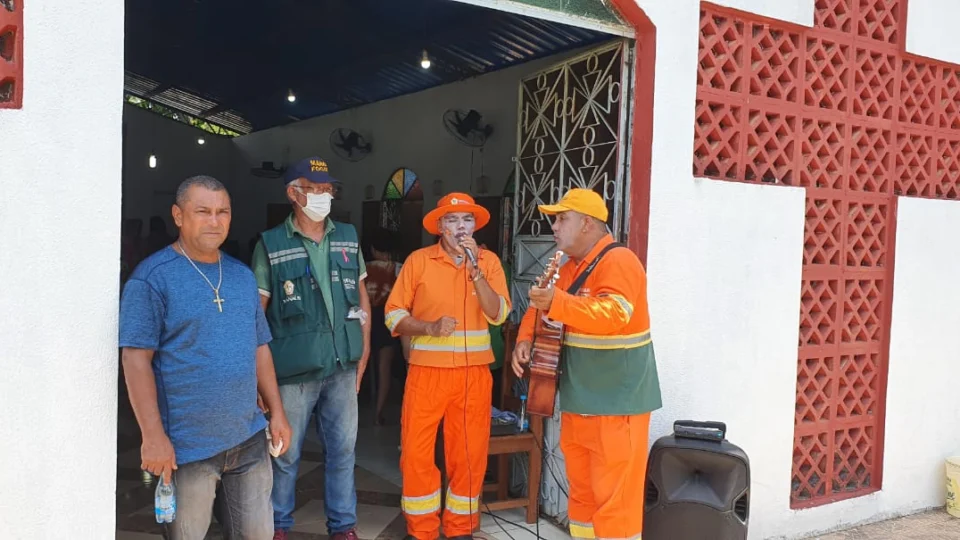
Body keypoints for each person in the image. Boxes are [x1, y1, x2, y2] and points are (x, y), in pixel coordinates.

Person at [119, 175, 292, 540]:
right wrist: (153, 437)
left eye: (222, 212)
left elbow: (260, 346)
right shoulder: (152, 279)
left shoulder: (242, 277)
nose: (215, 221)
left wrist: (276, 412)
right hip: (187, 448)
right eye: (203, 212)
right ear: (178, 216)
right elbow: (136, 360)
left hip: (248, 439)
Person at [511, 188, 662, 540]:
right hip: (581, 402)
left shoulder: (619, 261)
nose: (554, 226)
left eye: (563, 219)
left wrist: (557, 302)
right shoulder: (570, 267)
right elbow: (539, 306)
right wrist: (524, 339)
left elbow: (613, 314)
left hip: (616, 405)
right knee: (581, 498)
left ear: (587, 224)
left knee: (614, 506)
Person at [250, 156, 371, 540]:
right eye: (314, 188)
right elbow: (256, 316)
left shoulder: (348, 235)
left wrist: (363, 355)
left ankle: (343, 526)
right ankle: (279, 526)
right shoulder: (270, 244)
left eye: (327, 189)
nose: (323, 195)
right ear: (293, 193)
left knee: (344, 453)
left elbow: (363, 300)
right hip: (293, 372)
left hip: (343, 366)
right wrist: (259, 381)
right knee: (284, 455)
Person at [384, 193, 511, 540]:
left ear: (475, 226)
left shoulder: (488, 262)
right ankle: (421, 530)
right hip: (426, 373)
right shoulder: (418, 261)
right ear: (439, 227)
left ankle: (460, 530)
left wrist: (477, 274)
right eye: (452, 220)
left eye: (466, 220)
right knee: (415, 453)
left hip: (474, 375)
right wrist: (427, 327)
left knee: (469, 456)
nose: (460, 227)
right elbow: (393, 314)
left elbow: (499, 314)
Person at [364, 229, 404, 425]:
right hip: (389, 319)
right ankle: (378, 412)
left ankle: (355, 408)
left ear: (372, 249)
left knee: (360, 364)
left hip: (364, 318)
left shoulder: (362, 268)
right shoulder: (400, 269)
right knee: (384, 367)